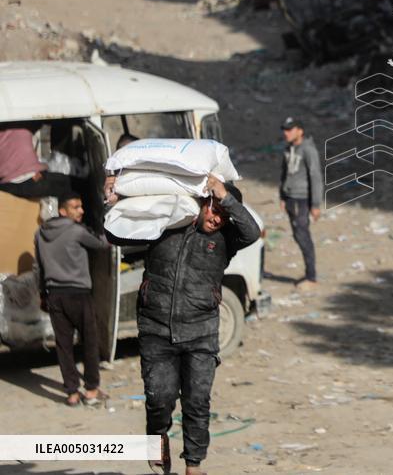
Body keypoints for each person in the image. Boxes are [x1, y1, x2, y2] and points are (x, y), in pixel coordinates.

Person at [105, 176, 260, 475]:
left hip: (201, 332)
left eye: (223, 216)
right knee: (159, 399)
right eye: (214, 210)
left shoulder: (226, 240)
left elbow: (252, 232)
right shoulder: (166, 224)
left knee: (197, 401)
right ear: (202, 203)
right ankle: (157, 441)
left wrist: (225, 198)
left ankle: (193, 465)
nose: (217, 219)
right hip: (156, 330)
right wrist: (112, 203)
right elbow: (115, 235)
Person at [34, 193, 111, 406]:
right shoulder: (77, 231)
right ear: (63, 211)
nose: (81, 211)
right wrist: (109, 219)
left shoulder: (40, 233)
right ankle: (92, 390)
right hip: (78, 294)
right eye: (76, 207)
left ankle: (72, 393)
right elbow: (102, 244)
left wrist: (42, 294)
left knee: (64, 345)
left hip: (54, 296)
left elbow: (38, 267)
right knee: (90, 341)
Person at [279, 117, 322, 291]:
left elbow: (315, 176)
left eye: (290, 129)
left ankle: (311, 276)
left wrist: (316, 204)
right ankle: (309, 274)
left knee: (302, 235)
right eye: (285, 129)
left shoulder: (308, 150)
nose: (286, 133)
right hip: (290, 197)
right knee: (298, 234)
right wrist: (282, 196)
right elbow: (284, 173)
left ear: (300, 130)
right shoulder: (288, 149)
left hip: (301, 199)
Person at [0, 126, 71, 199]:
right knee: (65, 182)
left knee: (63, 183)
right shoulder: (23, 128)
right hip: (29, 177)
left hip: (16, 181)